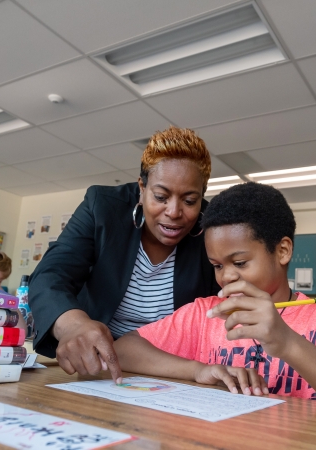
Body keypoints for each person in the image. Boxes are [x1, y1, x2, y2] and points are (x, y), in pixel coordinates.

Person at [113, 183, 316, 408]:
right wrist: (197, 370)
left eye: (240, 263)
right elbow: (122, 350)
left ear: (282, 251)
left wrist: (288, 343)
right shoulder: (206, 313)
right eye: (217, 265)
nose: (226, 277)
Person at [29, 127, 219, 383]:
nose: (174, 212)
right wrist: (73, 325)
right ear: (142, 187)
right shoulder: (102, 207)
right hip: (99, 364)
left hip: (175, 368)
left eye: (189, 200)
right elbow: (51, 275)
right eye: (161, 196)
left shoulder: (213, 228)